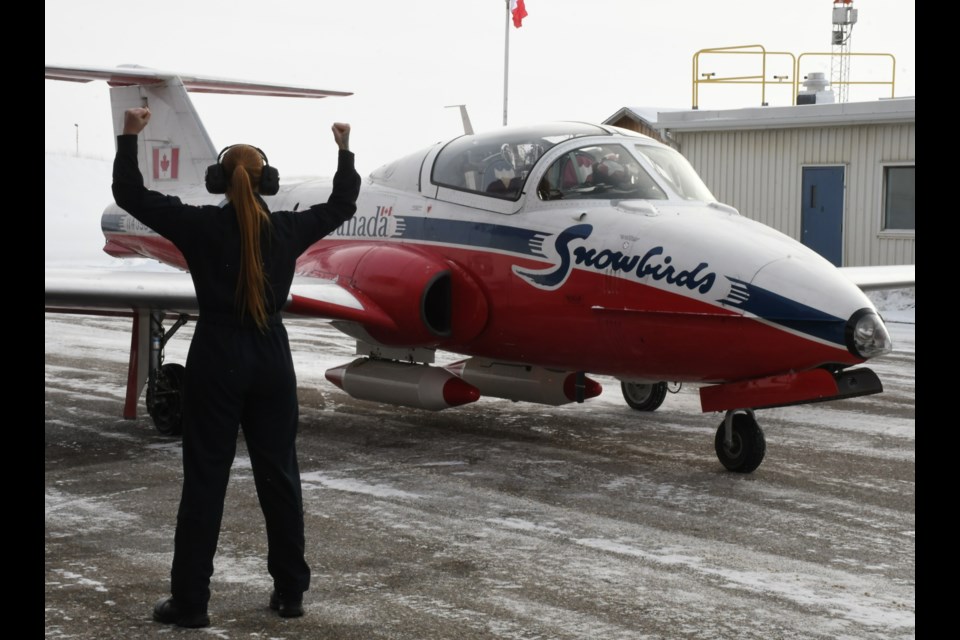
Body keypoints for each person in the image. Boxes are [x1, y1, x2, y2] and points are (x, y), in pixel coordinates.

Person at [112, 107, 362, 628]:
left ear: (218, 183)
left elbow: (131, 197)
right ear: (268, 183)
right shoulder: (291, 229)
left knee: (205, 479)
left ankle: (190, 602)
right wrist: (342, 150)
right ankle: (290, 593)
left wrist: (130, 137)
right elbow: (342, 202)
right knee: (280, 476)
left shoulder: (199, 224)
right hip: (272, 355)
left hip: (217, 356)